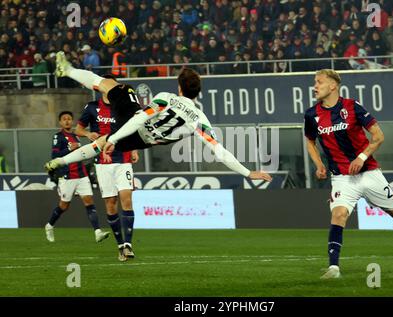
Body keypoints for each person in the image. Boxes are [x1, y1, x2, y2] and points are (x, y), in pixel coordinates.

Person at [44, 52, 272, 202]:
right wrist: (248, 172)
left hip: (132, 125)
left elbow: (140, 118)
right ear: (197, 93)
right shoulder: (199, 119)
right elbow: (219, 151)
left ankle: (68, 70)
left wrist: (114, 138)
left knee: (112, 86)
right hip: (142, 142)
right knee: (102, 142)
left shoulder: (166, 98)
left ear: (180, 87)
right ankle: (60, 162)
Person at [303, 69, 393, 279]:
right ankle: (334, 268)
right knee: (338, 214)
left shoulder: (352, 107)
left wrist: (361, 157)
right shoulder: (312, 114)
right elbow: (309, 140)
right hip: (342, 178)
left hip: (369, 173)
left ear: (333, 86)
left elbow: (378, 136)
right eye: (315, 82)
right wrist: (318, 164)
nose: (315, 86)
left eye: (319, 82)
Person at [75, 77, 139, 262]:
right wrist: (88, 134)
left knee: (126, 199)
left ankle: (128, 244)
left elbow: (133, 128)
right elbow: (78, 129)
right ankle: (120, 245)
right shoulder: (91, 107)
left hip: (123, 158)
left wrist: (134, 148)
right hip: (102, 162)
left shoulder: (123, 106)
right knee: (111, 204)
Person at [45, 111, 110, 243]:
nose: (67, 121)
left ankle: (97, 232)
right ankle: (49, 225)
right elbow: (54, 156)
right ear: (60, 122)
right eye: (64, 119)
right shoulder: (58, 137)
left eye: (69, 119)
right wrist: (70, 149)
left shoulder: (76, 136)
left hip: (81, 174)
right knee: (64, 206)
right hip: (67, 176)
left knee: (89, 202)